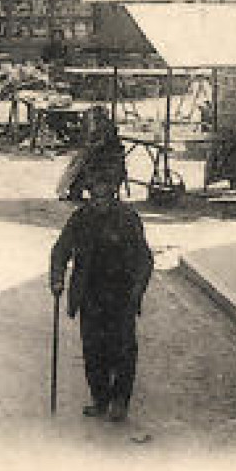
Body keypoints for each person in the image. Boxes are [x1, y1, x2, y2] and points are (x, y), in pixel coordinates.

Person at [49, 171, 154, 423]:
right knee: (93, 350)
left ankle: (119, 401)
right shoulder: (81, 219)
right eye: (94, 196)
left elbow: (144, 258)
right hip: (91, 295)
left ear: (113, 195)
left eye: (103, 196)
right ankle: (100, 400)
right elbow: (61, 249)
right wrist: (57, 278)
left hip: (121, 294)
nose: (98, 202)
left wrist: (138, 289)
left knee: (123, 350)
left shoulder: (128, 219)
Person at [58, 106, 126, 202]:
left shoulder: (108, 128)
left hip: (108, 159)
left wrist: (89, 146)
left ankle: (73, 191)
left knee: (81, 167)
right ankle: (71, 191)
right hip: (98, 156)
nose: (94, 120)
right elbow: (91, 142)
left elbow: (102, 143)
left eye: (96, 118)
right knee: (77, 165)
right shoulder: (96, 128)